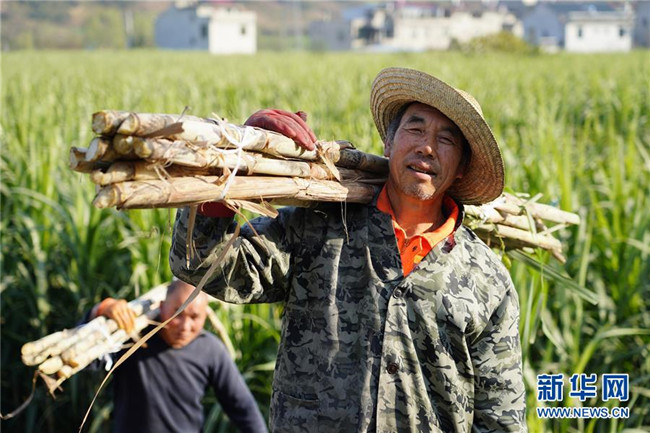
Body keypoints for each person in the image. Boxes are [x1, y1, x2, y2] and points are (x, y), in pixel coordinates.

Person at [169, 67, 526, 432]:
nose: (427, 147)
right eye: (415, 129)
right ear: (388, 144)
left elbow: (500, 418)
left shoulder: (486, 280)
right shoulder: (318, 227)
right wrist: (237, 158)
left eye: (446, 140)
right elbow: (201, 263)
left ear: (462, 168)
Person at [89, 279, 268, 433]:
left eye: (194, 317)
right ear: (162, 307)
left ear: (205, 315)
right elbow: (90, 360)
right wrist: (101, 310)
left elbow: (243, 407)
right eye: (177, 314)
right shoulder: (133, 338)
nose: (184, 326)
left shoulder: (210, 350)